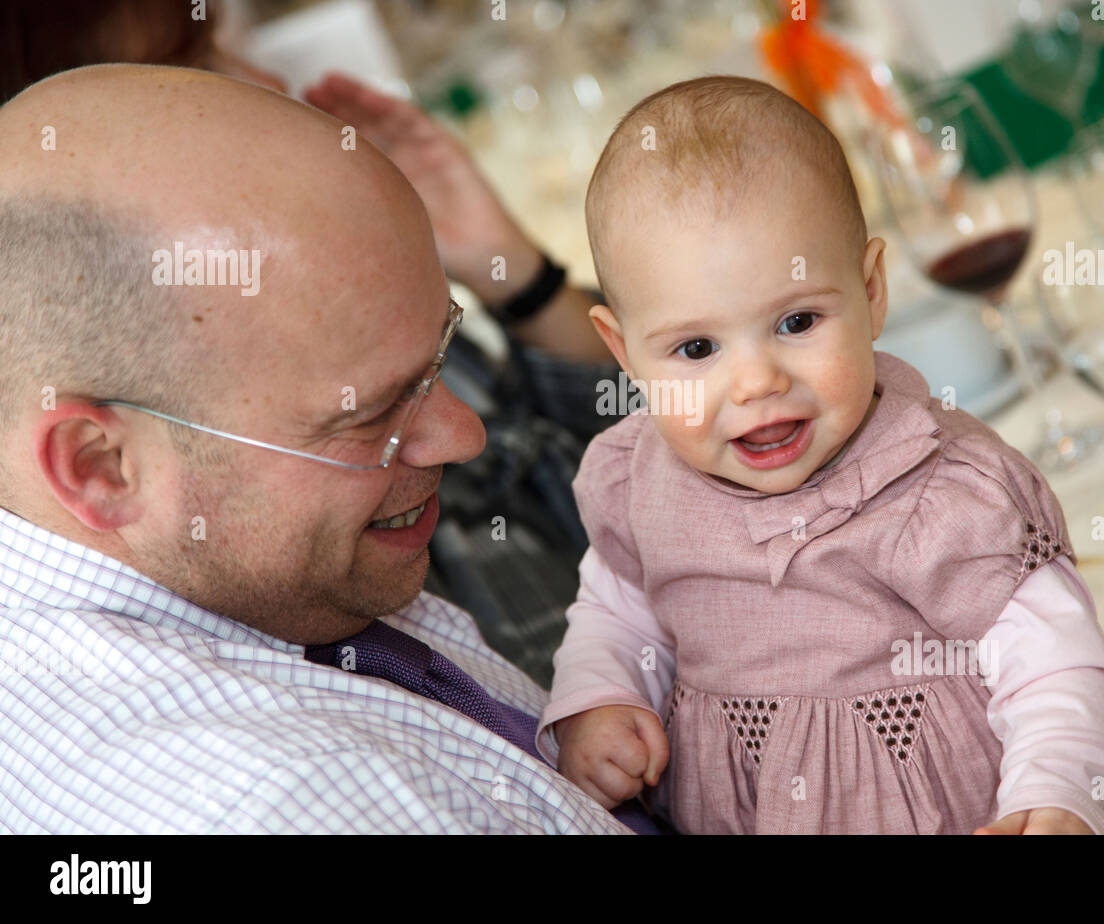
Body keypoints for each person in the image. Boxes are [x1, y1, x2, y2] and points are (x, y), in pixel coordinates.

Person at [0, 63, 655, 833]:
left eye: (442, 350)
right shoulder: (291, 802)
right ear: (100, 467)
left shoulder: (256, 571)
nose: (462, 435)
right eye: (370, 415)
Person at [536, 76, 1104, 834]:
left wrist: (1057, 796)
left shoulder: (939, 490)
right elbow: (617, 616)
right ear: (623, 351)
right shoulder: (638, 484)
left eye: (798, 321)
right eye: (697, 347)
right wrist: (597, 696)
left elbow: (1058, 665)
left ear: (873, 292)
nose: (757, 382)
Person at [0, 0, 621, 688]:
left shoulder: (329, 315)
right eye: (195, 71)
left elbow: (628, 474)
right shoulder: (257, 535)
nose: (264, 76)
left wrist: (518, 277)